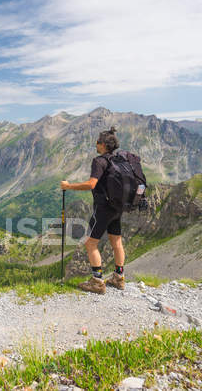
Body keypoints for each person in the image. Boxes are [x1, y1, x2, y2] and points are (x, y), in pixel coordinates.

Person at [60, 126, 125, 294]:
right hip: (118, 207)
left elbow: (91, 184)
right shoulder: (118, 160)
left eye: (97, 142)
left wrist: (69, 186)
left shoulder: (99, 161)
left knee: (90, 243)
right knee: (116, 242)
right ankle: (119, 278)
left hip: (103, 209)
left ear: (103, 144)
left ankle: (97, 281)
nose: (95, 144)